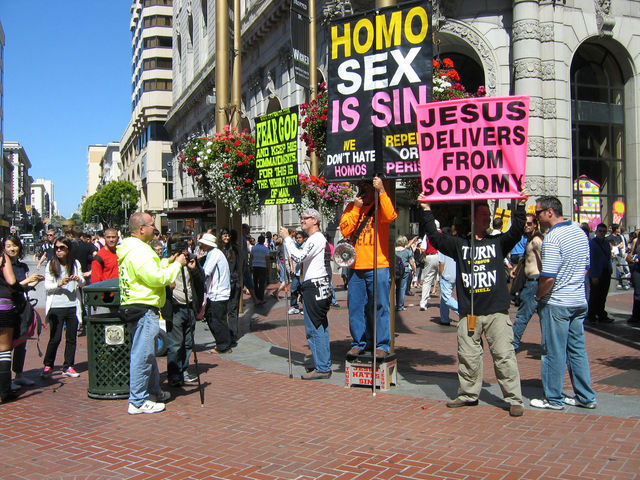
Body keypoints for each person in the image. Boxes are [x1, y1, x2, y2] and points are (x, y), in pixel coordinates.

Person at [418, 190, 528, 417]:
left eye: (488, 214)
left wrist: (520, 205)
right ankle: (468, 394)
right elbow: (435, 237)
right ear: (473, 217)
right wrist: (427, 209)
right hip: (470, 313)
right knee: (468, 356)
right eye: (482, 214)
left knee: (504, 355)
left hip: (496, 311)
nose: (487, 218)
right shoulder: (459, 244)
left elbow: (516, 231)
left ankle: (514, 399)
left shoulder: (498, 242)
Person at [531, 196, 597, 410]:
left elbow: (548, 276)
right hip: (578, 299)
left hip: (558, 301)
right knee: (577, 349)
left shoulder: (553, 237)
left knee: (553, 351)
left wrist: (539, 296)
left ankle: (554, 398)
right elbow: (586, 268)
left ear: (550, 212)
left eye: (538, 212)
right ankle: (586, 396)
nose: (536, 216)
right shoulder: (579, 232)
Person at [118, 212, 187, 414]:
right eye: (151, 225)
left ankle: (153, 391)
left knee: (146, 353)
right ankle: (137, 400)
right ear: (141, 229)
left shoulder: (133, 249)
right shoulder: (140, 251)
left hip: (136, 305)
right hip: (143, 308)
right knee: (143, 354)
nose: (155, 229)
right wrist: (177, 265)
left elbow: (150, 270)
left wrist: (168, 261)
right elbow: (157, 278)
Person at [340, 176, 397, 357]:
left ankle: (381, 345)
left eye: (366, 187)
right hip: (356, 267)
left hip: (378, 265)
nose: (363, 190)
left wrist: (381, 190)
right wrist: (356, 208)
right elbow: (345, 230)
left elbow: (391, 215)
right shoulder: (351, 208)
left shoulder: (381, 205)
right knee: (356, 307)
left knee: (380, 306)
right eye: (361, 187)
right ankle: (358, 342)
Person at [280, 208, 332, 379]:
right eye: (301, 218)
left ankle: (322, 366)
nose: (302, 221)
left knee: (315, 327)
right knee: (317, 326)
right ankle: (321, 362)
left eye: (305, 218)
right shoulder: (315, 239)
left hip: (315, 286)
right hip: (314, 284)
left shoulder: (316, 238)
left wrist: (287, 239)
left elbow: (299, 256)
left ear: (314, 220)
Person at [163, 234, 204, 388]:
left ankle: (184, 370)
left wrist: (193, 270)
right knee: (175, 344)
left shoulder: (191, 261)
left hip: (190, 306)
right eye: (180, 248)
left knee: (188, 343)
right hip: (175, 308)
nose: (185, 251)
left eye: (186, 247)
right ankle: (174, 374)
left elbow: (201, 282)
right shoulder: (166, 263)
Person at [42, 237, 85, 379]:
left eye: (62, 248)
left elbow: (83, 283)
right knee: (55, 337)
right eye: (57, 248)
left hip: (72, 305)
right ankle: (48, 364)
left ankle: (68, 366)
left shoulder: (75, 264)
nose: (59, 250)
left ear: (68, 249)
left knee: (71, 338)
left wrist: (78, 279)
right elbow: (47, 287)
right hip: (56, 306)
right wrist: (59, 283)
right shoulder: (51, 264)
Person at [4, 236, 43, 388]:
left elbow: (25, 287)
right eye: (8, 246)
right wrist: (28, 281)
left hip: (21, 306)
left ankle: (19, 374)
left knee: (22, 340)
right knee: (7, 344)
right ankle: (6, 379)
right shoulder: (4, 267)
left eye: (14, 245)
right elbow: (11, 286)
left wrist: (37, 281)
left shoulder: (22, 267)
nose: (12, 249)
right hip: (8, 307)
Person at [511, 214, 543, 351]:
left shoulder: (536, 241)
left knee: (522, 315)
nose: (526, 226)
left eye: (529, 224)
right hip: (532, 281)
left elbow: (544, 261)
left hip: (535, 282)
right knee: (543, 315)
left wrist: (544, 280)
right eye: (525, 223)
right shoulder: (529, 240)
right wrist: (516, 269)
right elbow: (525, 257)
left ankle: (512, 344)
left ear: (535, 224)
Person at [200, 233, 233, 354]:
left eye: (202, 243)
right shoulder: (214, 253)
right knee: (215, 318)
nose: (201, 245)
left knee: (216, 319)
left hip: (217, 293)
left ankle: (223, 345)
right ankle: (224, 342)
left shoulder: (214, 254)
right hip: (218, 292)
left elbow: (205, 272)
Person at [0, 242, 21, 403]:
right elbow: (12, 280)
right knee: (4, 350)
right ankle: (4, 391)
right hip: (3, 305)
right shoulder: (3, 257)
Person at [587, 223, 613, 324]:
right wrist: (593, 275)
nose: (602, 233)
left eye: (604, 231)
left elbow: (608, 257)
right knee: (594, 295)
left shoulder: (606, 243)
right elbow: (591, 260)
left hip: (606, 272)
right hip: (596, 273)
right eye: (600, 231)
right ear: (596, 232)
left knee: (603, 295)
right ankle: (592, 314)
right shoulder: (592, 244)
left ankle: (601, 314)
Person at [220, 228, 241, 346]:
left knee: (232, 310)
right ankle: (226, 335)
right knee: (224, 311)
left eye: (228, 235)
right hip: (224, 284)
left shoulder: (235, 250)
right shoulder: (219, 251)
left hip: (233, 282)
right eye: (224, 235)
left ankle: (232, 336)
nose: (226, 237)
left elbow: (239, 266)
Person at [438, 246, 458, 326]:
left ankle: (463, 312)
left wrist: (440, 275)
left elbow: (441, 263)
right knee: (443, 297)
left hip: (446, 275)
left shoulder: (442, 247)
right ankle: (444, 318)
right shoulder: (455, 244)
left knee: (446, 298)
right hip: (456, 273)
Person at [394, 235, 415, 311]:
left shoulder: (393, 250)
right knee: (402, 288)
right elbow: (411, 263)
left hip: (395, 270)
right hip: (405, 270)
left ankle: (396, 303)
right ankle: (400, 306)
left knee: (396, 288)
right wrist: (414, 270)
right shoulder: (407, 251)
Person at [608, 224, 631, 290]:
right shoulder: (609, 238)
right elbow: (611, 247)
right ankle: (621, 283)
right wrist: (618, 246)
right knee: (617, 270)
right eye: (618, 228)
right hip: (614, 255)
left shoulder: (619, 237)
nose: (619, 229)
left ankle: (624, 283)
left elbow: (622, 245)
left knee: (624, 269)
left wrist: (619, 248)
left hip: (620, 254)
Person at [250, 234, 270, 303]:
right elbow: (267, 260)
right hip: (263, 267)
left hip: (255, 266)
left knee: (255, 282)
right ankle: (261, 298)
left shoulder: (254, 248)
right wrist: (268, 269)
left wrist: (250, 266)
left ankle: (256, 296)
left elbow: (251, 258)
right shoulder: (265, 249)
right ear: (263, 241)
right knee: (262, 283)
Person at [627, 230, 640, 324]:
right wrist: (633, 258)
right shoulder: (636, 243)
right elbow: (630, 256)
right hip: (637, 270)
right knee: (637, 293)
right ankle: (636, 316)